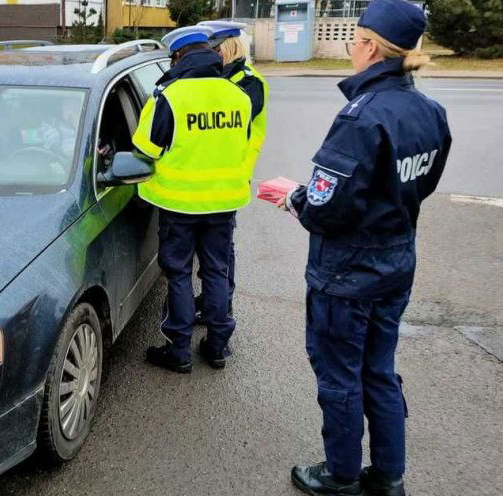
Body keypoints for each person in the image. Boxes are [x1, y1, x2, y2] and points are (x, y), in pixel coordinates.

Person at [280, 1, 452, 494]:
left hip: (347, 272)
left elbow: (324, 207)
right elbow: (423, 183)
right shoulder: (429, 111)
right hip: (396, 260)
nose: (351, 47)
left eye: (353, 39)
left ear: (371, 47)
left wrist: (292, 196)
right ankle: (390, 478)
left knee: (340, 377)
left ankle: (340, 476)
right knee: (379, 369)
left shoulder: (361, 118)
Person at [133, 26, 253, 372]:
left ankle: (179, 351)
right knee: (216, 271)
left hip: (179, 205)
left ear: (177, 57)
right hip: (224, 203)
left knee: (180, 275)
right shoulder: (237, 95)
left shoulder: (169, 96)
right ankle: (217, 347)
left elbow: (146, 148)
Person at [192, 20, 270, 323]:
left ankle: (222, 310)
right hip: (208, 177)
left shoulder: (247, 82)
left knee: (220, 256)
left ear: (224, 48)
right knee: (212, 254)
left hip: (230, 177)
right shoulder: (220, 77)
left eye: (209, 48)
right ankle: (213, 305)